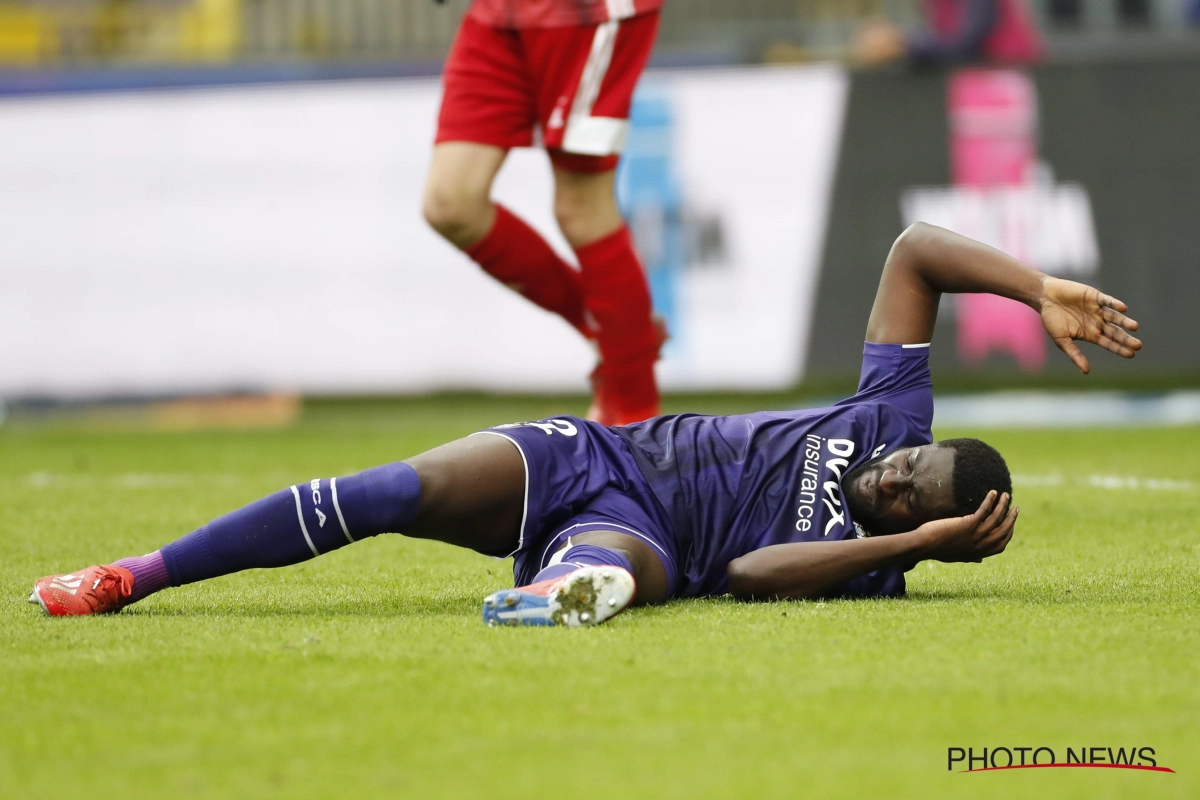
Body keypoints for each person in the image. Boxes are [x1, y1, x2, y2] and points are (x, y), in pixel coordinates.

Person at [30, 224, 1141, 626]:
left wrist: (906, 550)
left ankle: (569, 586)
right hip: (601, 451)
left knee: (614, 572)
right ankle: (137, 574)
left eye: (910, 491)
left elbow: (749, 575)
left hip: (653, 537)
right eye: (907, 458)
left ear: (927, 524)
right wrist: (1033, 282)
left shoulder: (872, 558)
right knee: (390, 492)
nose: (892, 474)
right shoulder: (889, 407)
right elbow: (913, 251)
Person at [422, 0, 666, 426]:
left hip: (585, 12)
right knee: (450, 203)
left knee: (581, 207)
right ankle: (618, 333)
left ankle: (636, 423)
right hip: (500, 13)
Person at [854, 0, 1042, 67]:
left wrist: (901, 44)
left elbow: (968, 40)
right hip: (977, 85)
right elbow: (941, 36)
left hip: (1010, 76)